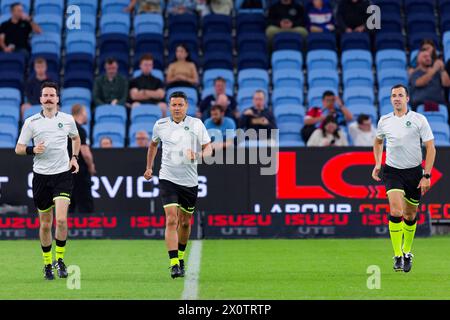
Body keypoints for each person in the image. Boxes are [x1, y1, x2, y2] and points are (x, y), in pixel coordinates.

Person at [15, 81, 80, 280]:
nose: (49, 98)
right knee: (45, 224)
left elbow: (75, 138)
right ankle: (47, 264)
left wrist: (74, 157)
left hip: (62, 174)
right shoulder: (31, 122)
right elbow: (18, 148)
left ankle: (59, 260)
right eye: (46, 95)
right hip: (41, 177)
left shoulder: (68, 119)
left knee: (60, 220)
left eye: (52, 95)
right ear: (41, 99)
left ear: (58, 99)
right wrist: (32, 150)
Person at [143, 91, 212, 279]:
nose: (177, 108)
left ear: (186, 106)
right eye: (173, 105)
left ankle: (180, 257)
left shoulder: (196, 124)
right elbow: (153, 145)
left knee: (185, 222)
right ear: (169, 106)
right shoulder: (161, 125)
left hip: (189, 181)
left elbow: (209, 148)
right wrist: (149, 168)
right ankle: (174, 263)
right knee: (171, 219)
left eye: (180, 105)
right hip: (167, 178)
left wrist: (197, 156)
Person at [372, 84, 436, 273]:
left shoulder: (419, 119)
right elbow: (377, 141)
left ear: (407, 98)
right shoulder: (384, 121)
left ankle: (407, 252)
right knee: (396, 210)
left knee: (410, 215)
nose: (397, 98)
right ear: (390, 99)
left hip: (414, 173)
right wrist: (377, 163)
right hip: (392, 171)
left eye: (400, 95)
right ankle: (397, 255)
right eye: (393, 95)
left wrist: (426, 175)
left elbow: (431, 148)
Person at [69, 104, 96, 214]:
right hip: (79, 172)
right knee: (85, 205)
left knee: (69, 206)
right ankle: (88, 230)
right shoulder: (79, 129)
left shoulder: (66, 128)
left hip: (65, 172)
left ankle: (67, 231)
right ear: (82, 113)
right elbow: (85, 153)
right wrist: (91, 166)